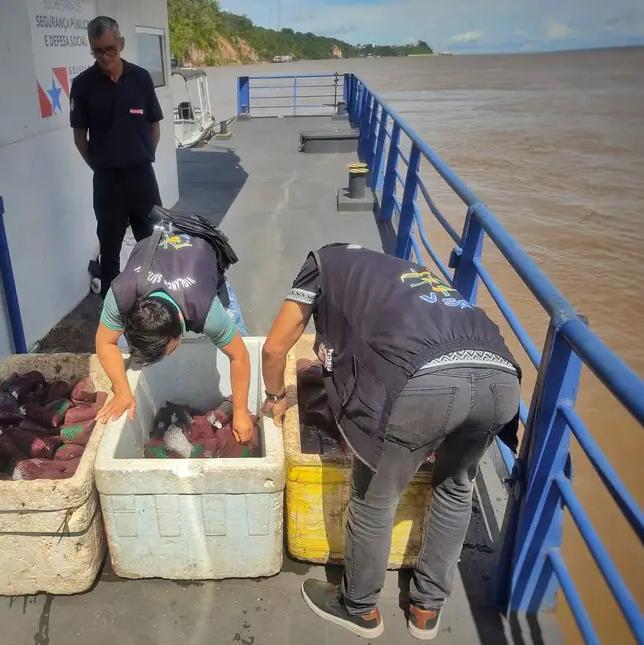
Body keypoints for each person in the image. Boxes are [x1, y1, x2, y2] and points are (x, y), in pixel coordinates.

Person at [260, 243, 521, 641]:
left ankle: (358, 608)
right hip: (502, 379)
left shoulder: (320, 263)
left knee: (375, 498)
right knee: (455, 488)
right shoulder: (408, 274)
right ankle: (426, 610)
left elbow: (275, 347)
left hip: (426, 385)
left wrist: (277, 398)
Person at [94, 228, 254, 443]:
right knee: (122, 348)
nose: (167, 358)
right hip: (154, 257)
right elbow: (105, 342)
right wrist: (122, 390)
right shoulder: (121, 294)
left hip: (199, 265)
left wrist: (241, 412)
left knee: (241, 339)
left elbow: (239, 356)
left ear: (179, 329)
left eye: (167, 351)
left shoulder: (207, 311)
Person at [69, 16, 164, 298]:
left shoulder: (141, 78)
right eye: (98, 51)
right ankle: (112, 317)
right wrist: (100, 166)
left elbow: (154, 126)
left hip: (142, 176)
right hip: (108, 182)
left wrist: (144, 154)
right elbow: (79, 137)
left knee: (153, 244)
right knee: (109, 251)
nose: (105, 56)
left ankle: (157, 306)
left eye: (110, 48)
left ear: (121, 44)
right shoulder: (83, 85)